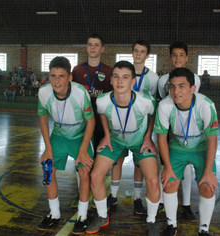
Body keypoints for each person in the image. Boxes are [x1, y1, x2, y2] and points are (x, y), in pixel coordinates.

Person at [87, 61, 160, 235]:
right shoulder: (103, 100)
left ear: (133, 82)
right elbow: (103, 114)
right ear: (111, 80)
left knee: (153, 181)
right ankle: (102, 216)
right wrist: (106, 135)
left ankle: (151, 220)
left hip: (139, 141)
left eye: (125, 77)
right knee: (95, 176)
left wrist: (148, 137)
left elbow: (152, 115)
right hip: (115, 140)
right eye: (116, 77)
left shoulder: (145, 101)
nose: (120, 81)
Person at [154, 67, 219, 236]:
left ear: (193, 88)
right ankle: (171, 225)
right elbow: (161, 138)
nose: (176, 91)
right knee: (168, 183)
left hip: (201, 147)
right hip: (176, 146)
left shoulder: (206, 105)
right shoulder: (164, 105)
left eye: (182, 86)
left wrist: (208, 172)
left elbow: (213, 140)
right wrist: (167, 168)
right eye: (172, 86)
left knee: (207, 186)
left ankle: (204, 229)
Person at [37, 56, 95, 235]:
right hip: (59, 135)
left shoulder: (79, 92)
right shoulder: (43, 92)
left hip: (79, 137)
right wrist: (47, 148)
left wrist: (84, 150)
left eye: (61, 76)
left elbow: (91, 122)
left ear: (70, 77)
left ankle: (83, 216)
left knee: (84, 171)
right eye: (53, 76)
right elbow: (43, 119)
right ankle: (54, 213)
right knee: (48, 168)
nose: (56, 80)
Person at [106, 40, 159, 215]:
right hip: (119, 126)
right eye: (136, 50)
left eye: (142, 51)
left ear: (147, 55)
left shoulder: (153, 78)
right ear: (132, 52)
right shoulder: (122, 73)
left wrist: (148, 134)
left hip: (140, 129)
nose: (138, 54)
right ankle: (113, 195)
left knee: (139, 164)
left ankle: (137, 198)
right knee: (117, 161)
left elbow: (152, 106)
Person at [156, 41, 200, 221]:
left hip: (186, 125)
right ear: (170, 57)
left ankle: (186, 204)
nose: (177, 58)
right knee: (164, 161)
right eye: (174, 55)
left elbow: (193, 101)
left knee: (187, 166)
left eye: (181, 55)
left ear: (187, 57)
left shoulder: (195, 78)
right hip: (167, 124)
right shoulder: (162, 80)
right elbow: (161, 97)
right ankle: (160, 199)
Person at [71, 33, 113, 208]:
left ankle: (97, 195)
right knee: (81, 159)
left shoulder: (109, 71)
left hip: (101, 124)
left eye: (97, 45)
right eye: (90, 44)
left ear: (102, 48)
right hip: (82, 123)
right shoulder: (77, 70)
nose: (93, 48)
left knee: (98, 161)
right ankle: (82, 193)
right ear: (86, 47)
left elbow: (112, 99)